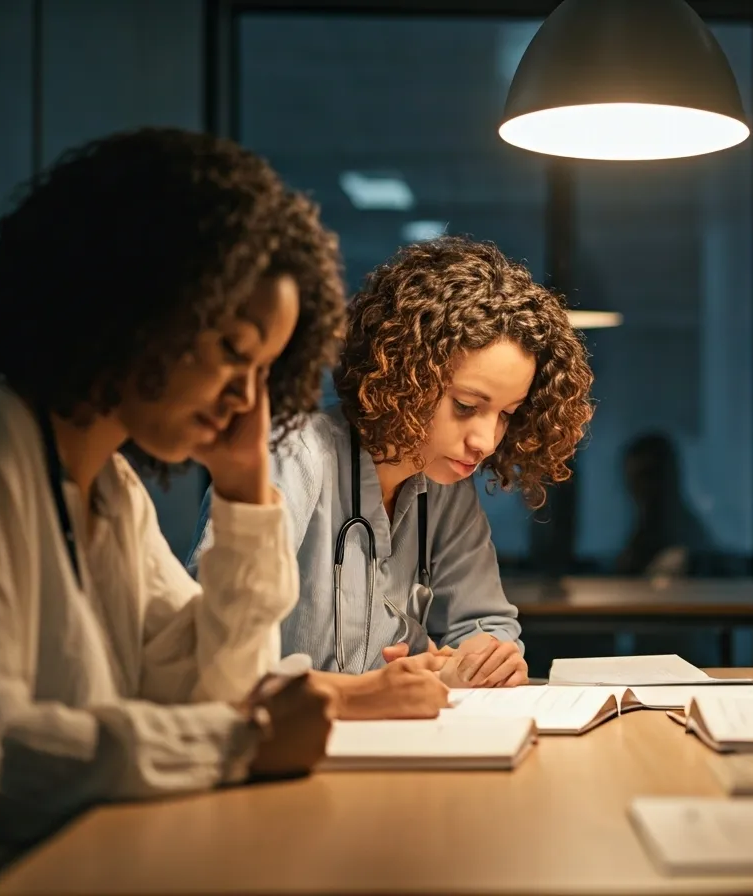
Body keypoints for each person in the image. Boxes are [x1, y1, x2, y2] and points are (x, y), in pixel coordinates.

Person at [0, 128, 348, 877]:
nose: (245, 400)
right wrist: (241, 742)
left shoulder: (113, 488)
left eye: (266, 371)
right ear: (137, 302)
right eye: (235, 351)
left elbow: (220, 688)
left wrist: (242, 489)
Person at [190, 236, 594, 694]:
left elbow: (484, 624)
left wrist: (484, 661)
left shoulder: (445, 484)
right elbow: (211, 653)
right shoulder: (294, 456)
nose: (485, 441)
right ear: (406, 375)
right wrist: (366, 690)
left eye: (506, 414)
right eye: (465, 405)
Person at [614, 432, 713, 577]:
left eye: (647, 476)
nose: (637, 487)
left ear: (670, 476)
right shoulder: (643, 529)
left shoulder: (684, 535)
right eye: (632, 478)